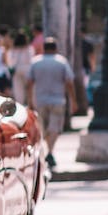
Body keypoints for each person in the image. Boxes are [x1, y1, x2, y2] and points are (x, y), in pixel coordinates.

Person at [27, 37, 76, 170]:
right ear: (55, 48)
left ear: (44, 48)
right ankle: (50, 152)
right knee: (55, 128)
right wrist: (73, 100)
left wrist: (30, 100)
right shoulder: (61, 62)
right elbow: (69, 82)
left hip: (40, 100)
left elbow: (29, 83)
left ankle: (48, 151)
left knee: (43, 127)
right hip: (58, 99)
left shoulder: (36, 62)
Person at [7, 32, 34, 103]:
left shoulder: (12, 50)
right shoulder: (29, 48)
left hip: (17, 70)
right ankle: (31, 106)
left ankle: (20, 106)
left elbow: (10, 62)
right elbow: (32, 59)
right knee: (30, 90)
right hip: (28, 70)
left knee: (18, 91)